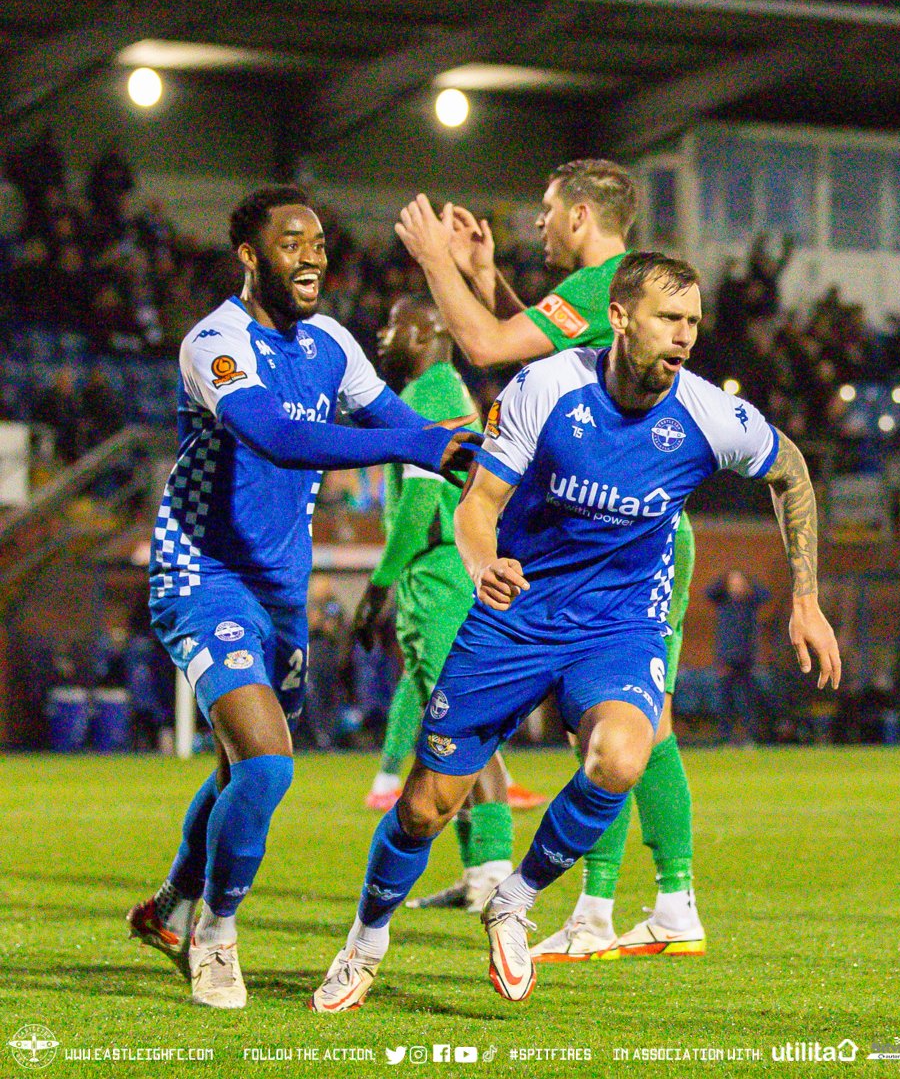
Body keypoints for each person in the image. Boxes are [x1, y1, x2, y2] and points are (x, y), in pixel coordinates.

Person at [311, 252, 840, 1010]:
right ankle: (364, 942)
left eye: (693, 321)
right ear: (621, 319)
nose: (684, 335)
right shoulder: (547, 387)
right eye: (669, 318)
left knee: (621, 756)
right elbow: (477, 503)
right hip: (516, 616)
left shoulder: (706, 412)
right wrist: (483, 561)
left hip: (619, 625)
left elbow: (789, 468)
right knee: (428, 804)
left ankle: (516, 899)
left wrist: (806, 598)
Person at [124, 186, 481, 1010]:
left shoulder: (329, 343)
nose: (313, 256)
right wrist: (421, 444)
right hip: (203, 572)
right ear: (251, 256)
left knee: (234, 770)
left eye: (319, 242)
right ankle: (214, 935)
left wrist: (479, 459)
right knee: (270, 763)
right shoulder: (214, 342)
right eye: (292, 243)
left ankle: (172, 905)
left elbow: (401, 421)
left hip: (281, 586)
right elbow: (278, 438)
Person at [395, 159, 705, 961]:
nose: (537, 224)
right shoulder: (611, 293)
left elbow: (486, 344)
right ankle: (606, 910)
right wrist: (486, 273)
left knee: (643, 729)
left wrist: (434, 259)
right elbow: (537, 364)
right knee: (603, 736)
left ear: (576, 215)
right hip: (600, 533)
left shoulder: (608, 281)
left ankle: (668, 900)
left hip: (627, 539)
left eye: (543, 209)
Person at [353, 295, 515, 910]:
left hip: (442, 581)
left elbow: (421, 508)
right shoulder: (442, 392)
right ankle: (479, 875)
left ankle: (496, 875)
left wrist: (378, 586)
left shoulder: (433, 396)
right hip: (434, 584)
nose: (384, 332)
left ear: (425, 333)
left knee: (467, 731)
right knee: (445, 731)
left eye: (395, 324)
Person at [707, 569, 774, 744]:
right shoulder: (723, 602)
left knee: (747, 702)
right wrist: (724, 579)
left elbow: (765, 594)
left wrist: (750, 582)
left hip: (746, 660)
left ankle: (751, 737)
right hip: (726, 660)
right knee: (724, 702)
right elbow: (709, 592)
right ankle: (724, 738)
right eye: (733, 582)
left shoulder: (750, 603)